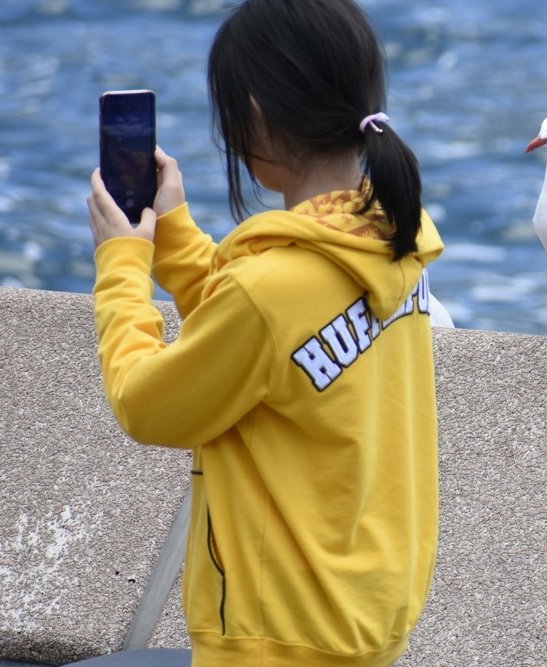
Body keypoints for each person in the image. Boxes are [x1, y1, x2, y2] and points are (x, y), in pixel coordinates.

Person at [86, 1, 445, 665]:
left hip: (274, 634)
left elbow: (145, 403)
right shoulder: (393, 234)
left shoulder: (270, 288)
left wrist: (122, 264)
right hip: (365, 610)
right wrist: (176, 238)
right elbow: (269, 340)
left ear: (255, 115)